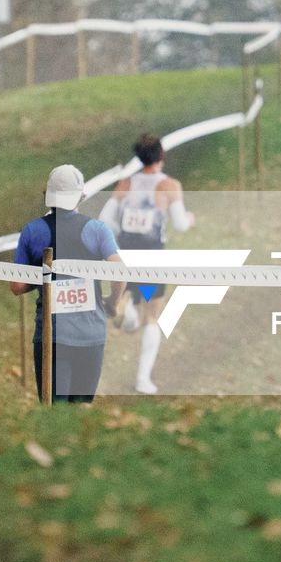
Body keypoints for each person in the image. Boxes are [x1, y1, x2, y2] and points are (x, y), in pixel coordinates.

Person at [8, 165, 126, 403]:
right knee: (80, 413)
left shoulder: (32, 231)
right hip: (91, 335)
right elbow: (120, 273)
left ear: (47, 196)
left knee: (54, 412)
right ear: (81, 196)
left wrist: (45, 278)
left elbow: (17, 285)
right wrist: (112, 303)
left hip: (51, 336)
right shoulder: (97, 230)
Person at [99, 135, 195, 394]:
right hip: (153, 258)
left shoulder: (126, 183)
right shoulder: (169, 186)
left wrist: (119, 232)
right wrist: (189, 218)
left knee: (129, 293)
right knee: (152, 316)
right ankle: (143, 379)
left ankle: (128, 307)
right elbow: (179, 224)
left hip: (126, 254)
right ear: (161, 156)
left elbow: (104, 217)